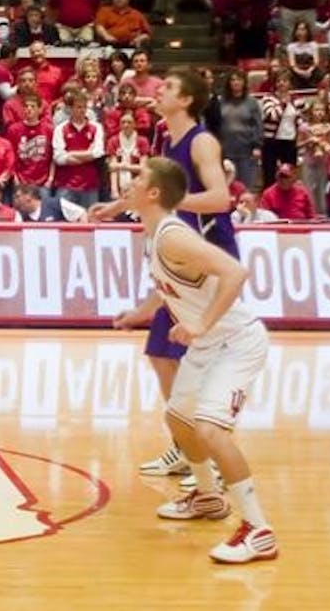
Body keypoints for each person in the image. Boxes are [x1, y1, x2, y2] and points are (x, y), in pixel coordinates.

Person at [113, 157, 277, 565]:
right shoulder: (154, 234)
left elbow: (236, 272)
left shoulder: (172, 236)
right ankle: (208, 498)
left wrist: (201, 323)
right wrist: (140, 313)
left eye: (138, 179)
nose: (130, 183)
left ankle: (259, 530)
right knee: (178, 418)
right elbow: (169, 285)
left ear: (153, 194)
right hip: (210, 345)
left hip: (237, 340)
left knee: (209, 429)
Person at [90, 68, 237, 479]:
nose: (159, 90)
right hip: (178, 260)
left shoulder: (202, 141)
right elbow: (149, 187)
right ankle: (185, 446)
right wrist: (117, 207)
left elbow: (221, 198)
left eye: (169, 87)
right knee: (160, 352)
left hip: (208, 258)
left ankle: (209, 457)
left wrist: (172, 205)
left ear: (187, 100)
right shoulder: (164, 140)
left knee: (192, 361)